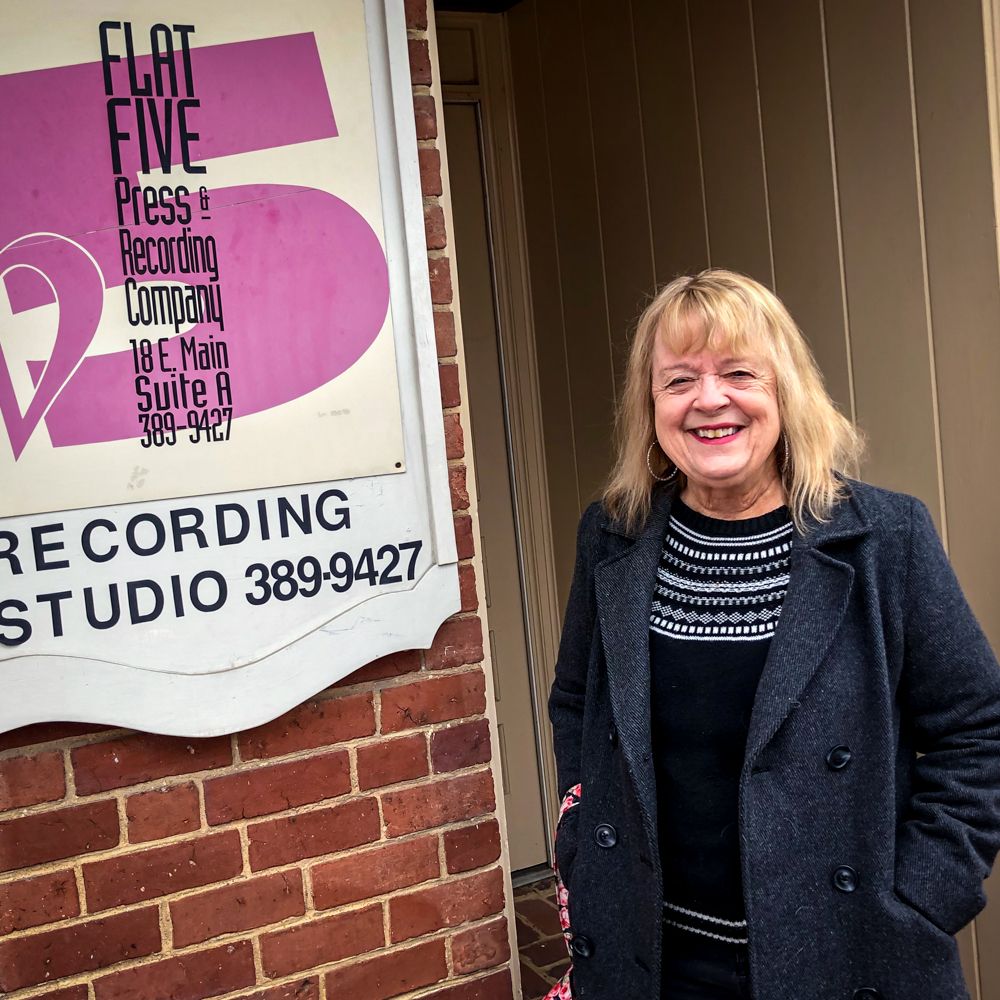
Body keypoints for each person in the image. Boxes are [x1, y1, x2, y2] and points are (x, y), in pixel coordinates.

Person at [544, 269, 1000, 1000]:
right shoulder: (612, 536)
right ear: (650, 405)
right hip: (654, 956)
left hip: (846, 949)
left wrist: (922, 896)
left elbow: (977, 729)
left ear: (784, 390)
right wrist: (581, 832)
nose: (710, 399)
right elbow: (576, 698)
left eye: (738, 372)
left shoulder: (884, 538)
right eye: (678, 380)